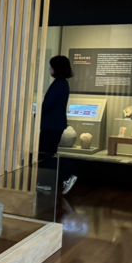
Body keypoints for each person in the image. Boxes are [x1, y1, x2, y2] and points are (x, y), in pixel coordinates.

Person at [39, 55, 78, 195]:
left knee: (46, 155)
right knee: (47, 154)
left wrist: (37, 114)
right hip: (55, 124)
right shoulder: (62, 84)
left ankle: (65, 176)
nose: (50, 69)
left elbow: (47, 105)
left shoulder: (58, 84)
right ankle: (47, 182)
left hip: (51, 125)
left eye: (52, 66)